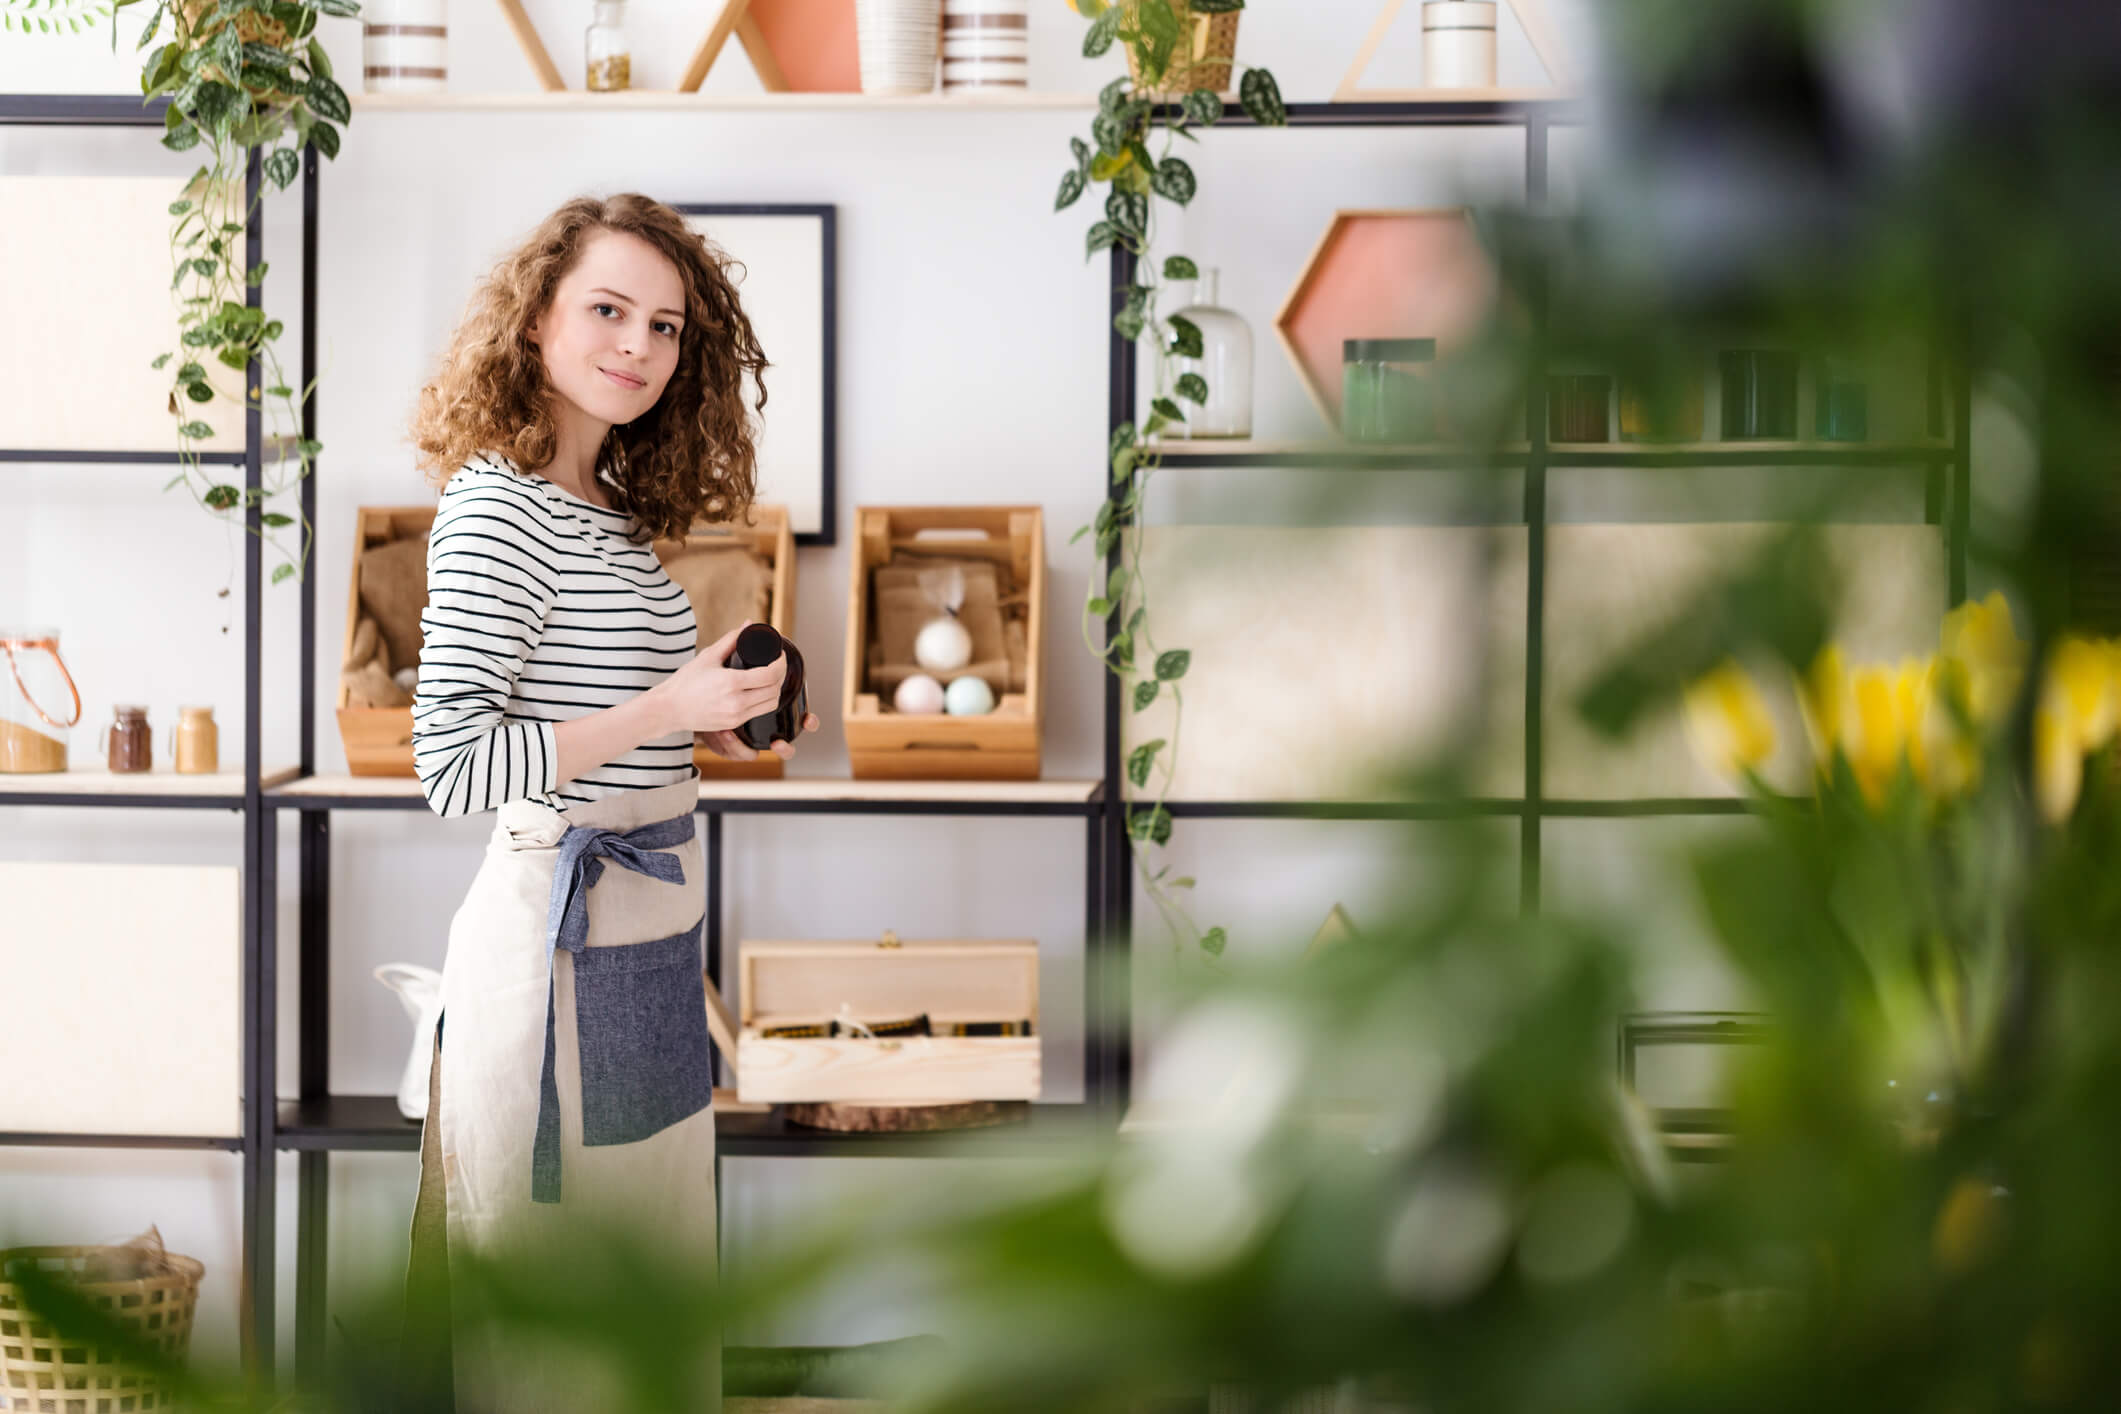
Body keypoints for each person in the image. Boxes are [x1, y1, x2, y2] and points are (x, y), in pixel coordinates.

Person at [397, 192, 819, 1412]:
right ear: (535, 319)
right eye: (607, 310)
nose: (638, 345)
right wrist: (662, 711)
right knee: (558, 1338)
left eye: (667, 326)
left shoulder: (609, 513)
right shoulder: (496, 508)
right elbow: (456, 765)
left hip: (638, 937)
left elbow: (612, 738)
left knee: (646, 1300)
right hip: (552, 955)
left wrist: (724, 722)